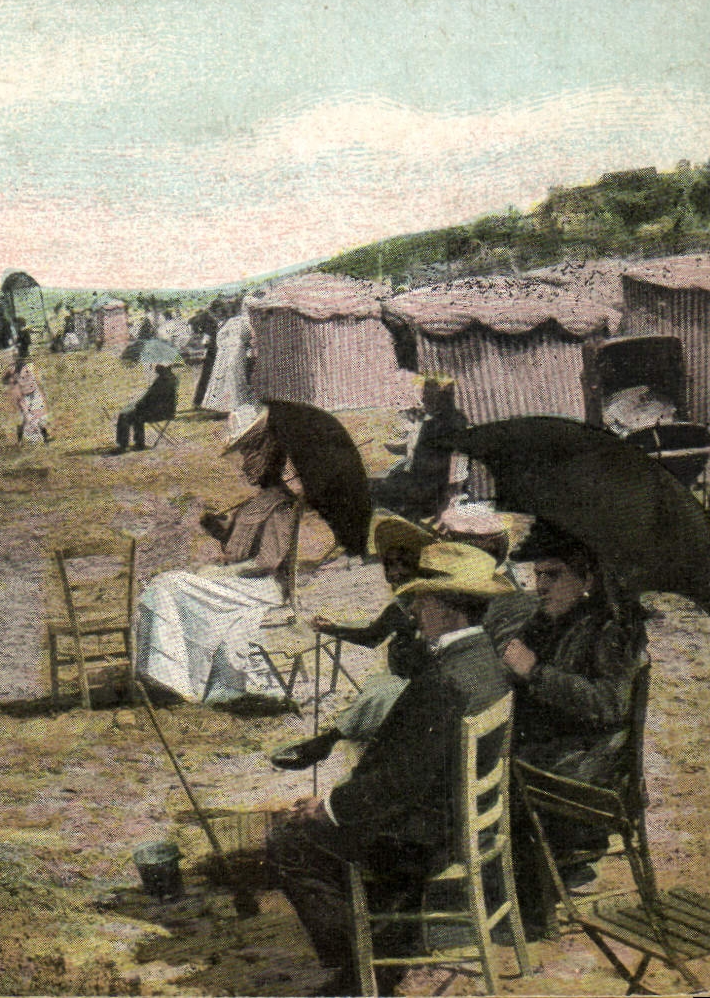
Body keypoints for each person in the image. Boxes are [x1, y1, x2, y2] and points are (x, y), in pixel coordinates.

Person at [266, 541, 516, 996]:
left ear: (445, 608)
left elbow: (397, 785)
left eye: (421, 599)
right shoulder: (486, 661)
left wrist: (328, 808)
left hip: (428, 840)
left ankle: (364, 972)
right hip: (461, 822)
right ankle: (393, 942)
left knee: (289, 840)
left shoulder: (444, 681)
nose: (414, 609)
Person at [502, 518, 643, 934]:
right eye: (537, 575)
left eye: (554, 575)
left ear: (587, 576)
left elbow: (609, 703)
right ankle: (527, 885)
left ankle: (532, 911)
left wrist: (534, 672)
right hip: (565, 756)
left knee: (499, 777)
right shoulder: (554, 618)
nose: (542, 585)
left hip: (593, 769)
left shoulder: (611, 628)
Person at [135, 409, 299, 701]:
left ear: (270, 457)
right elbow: (237, 550)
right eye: (244, 456)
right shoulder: (254, 503)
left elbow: (266, 561)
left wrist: (219, 573)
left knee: (169, 584)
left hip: (263, 588)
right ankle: (173, 676)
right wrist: (216, 528)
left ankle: (175, 679)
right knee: (168, 583)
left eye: (251, 456)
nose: (244, 465)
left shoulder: (282, 505)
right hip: (244, 583)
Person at [271, 514, 435, 769]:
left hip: (422, 686)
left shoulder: (432, 603)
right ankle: (328, 742)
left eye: (403, 565)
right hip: (405, 678)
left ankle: (326, 742)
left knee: (382, 693)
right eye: (389, 566)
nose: (395, 573)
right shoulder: (399, 607)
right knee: (378, 689)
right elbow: (372, 636)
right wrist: (333, 629)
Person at [370, 375, 469, 521]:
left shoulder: (452, 424)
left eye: (427, 395)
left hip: (429, 494)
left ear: (443, 397)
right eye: (424, 395)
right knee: (377, 482)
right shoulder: (433, 423)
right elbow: (419, 452)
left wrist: (446, 505)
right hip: (421, 486)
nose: (422, 400)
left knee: (372, 488)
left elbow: (458, 465)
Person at [110, 364, 179, 454]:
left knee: (125, 416)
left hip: (160, 412)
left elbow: (150, 399)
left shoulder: (164, 381)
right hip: (164, 411)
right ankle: (139, 443)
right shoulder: (169, 378)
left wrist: (137, 404)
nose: (155, 368)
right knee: (135, 414)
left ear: (163, 368)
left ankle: (123, 445)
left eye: (158, 367)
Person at [4, 357, 51, 444]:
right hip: (24, 396)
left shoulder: (29, 367)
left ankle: (45, 437)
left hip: (34, 393)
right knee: (26, 418)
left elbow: (37, 381)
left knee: (39, 416)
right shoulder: (13, 371)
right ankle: (20, 440)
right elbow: (14, 388)